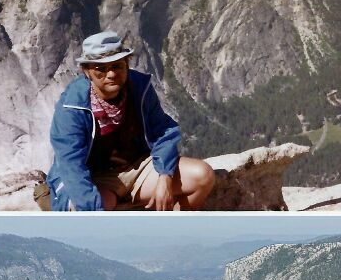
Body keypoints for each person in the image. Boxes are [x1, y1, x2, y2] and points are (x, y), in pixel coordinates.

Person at [46, 31, 215, 211]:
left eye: (117, 66)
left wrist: (165, 177)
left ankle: (167, 230)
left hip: (138, 167)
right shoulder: (72, 107)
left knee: (202, 176)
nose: (110, 74)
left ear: (127, 64)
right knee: (90, 206)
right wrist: (94, 211)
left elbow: (162, 132)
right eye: (101, 69)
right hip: (96, 177)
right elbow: (71, 165)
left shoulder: (140, 88)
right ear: (87, 71)